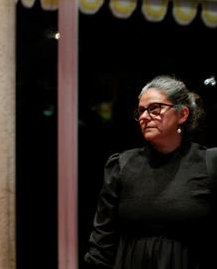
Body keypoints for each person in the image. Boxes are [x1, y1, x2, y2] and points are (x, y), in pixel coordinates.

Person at [84, 75, 216, 269]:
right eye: (141, 111)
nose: (145, 117)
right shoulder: (122, 165)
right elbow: (102, 241)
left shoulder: (209, 163)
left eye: (154, 109)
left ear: (182, 114)